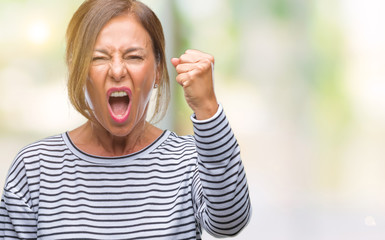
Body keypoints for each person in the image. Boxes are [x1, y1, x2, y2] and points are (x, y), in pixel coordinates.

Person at [0, 0, 251, 239]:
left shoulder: (188, 160)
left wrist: (207, 106)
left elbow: (229, 222)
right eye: (99, 57)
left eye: (134, 57)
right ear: (77, 70)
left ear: (158, 71)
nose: (117, 71)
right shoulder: (34, 168)